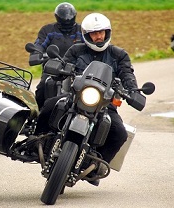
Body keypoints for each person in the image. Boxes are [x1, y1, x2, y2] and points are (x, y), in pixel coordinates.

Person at [34, 13, 140, 186]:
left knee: (119, 133)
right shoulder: (76, 50)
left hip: (104, 104)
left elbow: (127, 74)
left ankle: (96, 165)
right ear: (86, 35)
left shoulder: (118, 54)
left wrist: (133, 91)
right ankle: (37, 140)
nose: (99, 36)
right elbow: (64, 64)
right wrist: (59, 70)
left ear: (108, 32)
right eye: (94, 33)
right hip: (75, 96)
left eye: (102, 32)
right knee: (49, 105)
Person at [29, 2, 83, 110]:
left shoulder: (81, 31)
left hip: (77, 71)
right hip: (52, 70)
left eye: (69, 18)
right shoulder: (48, 30)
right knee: (42, 87)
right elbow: (39, 44)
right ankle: (36, 117)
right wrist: (36, 53)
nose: (67, 21)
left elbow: (91, 45)